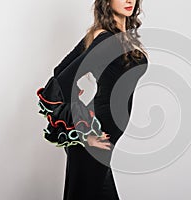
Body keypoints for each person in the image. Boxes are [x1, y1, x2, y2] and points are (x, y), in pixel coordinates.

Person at [36, 0, 148, 199]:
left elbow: (60, 71)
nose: (129, 0)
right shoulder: (105, 38)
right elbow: (60, 81)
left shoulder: (118, 37)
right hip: (94, 140)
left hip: (104, 144)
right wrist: (85, 131)